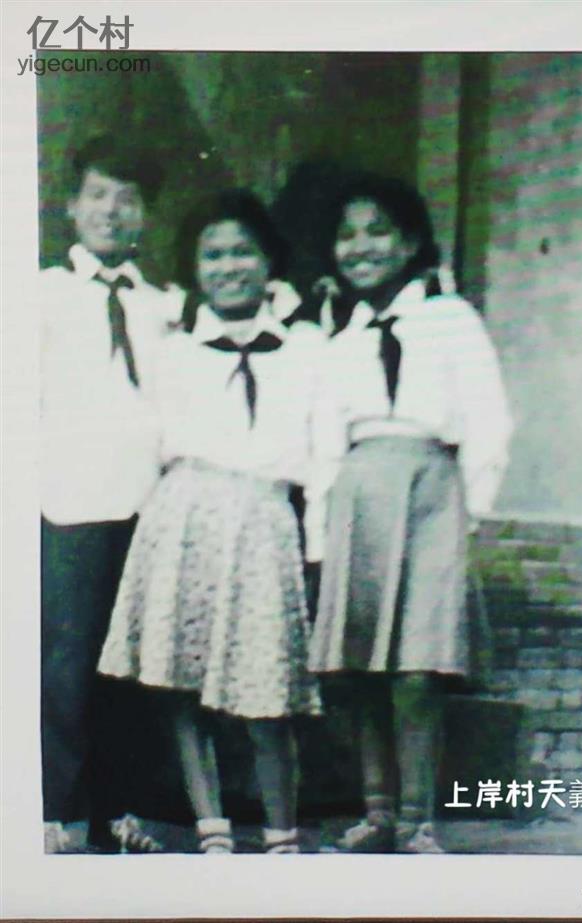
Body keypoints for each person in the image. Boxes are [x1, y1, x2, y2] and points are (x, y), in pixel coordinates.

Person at [98, 190, 328, 855]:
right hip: (183, 518)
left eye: (243, 251)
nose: (229, 267)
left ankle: (281, 831)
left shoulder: (307, 347)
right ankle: (211, 826)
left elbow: (323, 454)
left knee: (268, 691)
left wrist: (317, 545)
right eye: (214, 255)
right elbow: (146, 441)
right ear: (195, 268)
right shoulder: (173, 349)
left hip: (262, 522)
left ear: (269, 260)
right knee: (181, 683)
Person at [307, 173, 513, 853]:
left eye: (378, 231)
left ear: (410, 241)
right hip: (359, 496)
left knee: (418, 669)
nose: (361, 246)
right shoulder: (340, 337)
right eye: (346, 234)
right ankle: (378, 812)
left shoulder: (451, 318)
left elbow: (489, 419)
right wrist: (319, 537)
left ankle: (420, 819)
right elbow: (323, 444)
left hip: (432, 495)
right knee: (363, 667)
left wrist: (471, 512)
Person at [40, 134, 181, 854]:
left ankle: (120, 812)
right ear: (72, 207)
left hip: (147, 505)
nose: (112, 211)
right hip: (66, 502)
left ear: (146, 216)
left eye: (129, 199)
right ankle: (59, 812)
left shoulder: (165, 307)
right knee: (66, 662)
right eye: (97, 195)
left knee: (132, 667)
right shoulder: (41, 295)